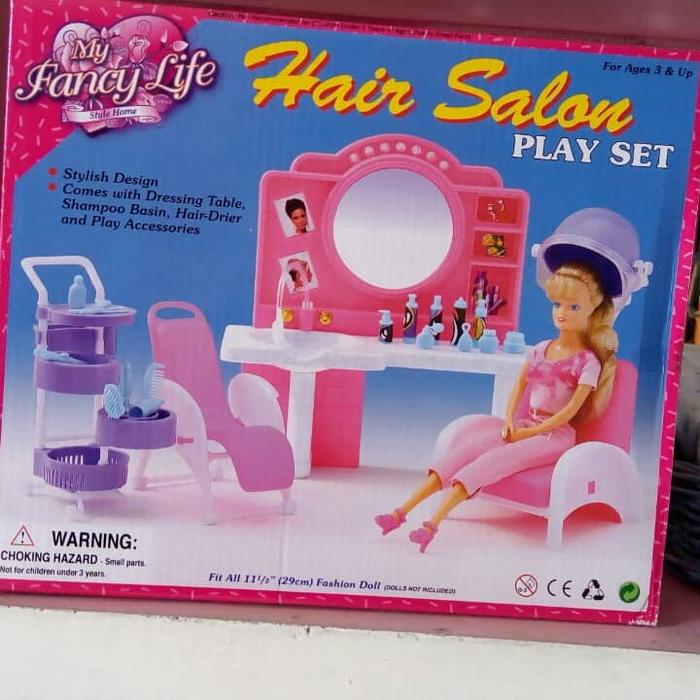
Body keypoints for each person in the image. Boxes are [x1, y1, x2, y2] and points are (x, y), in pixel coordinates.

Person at [374, 261, 618, 553]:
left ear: (591, 309)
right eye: (557, 304)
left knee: (493, 460)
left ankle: (431, 525)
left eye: (573, 307)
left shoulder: (587, 362)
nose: (561, 313)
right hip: (526, 424)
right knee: (463, 452)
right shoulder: (540, 349)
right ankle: (399, 512)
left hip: (555, 435)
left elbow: (570, 411)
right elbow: (519, 386)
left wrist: (532, 432)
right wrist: (510, 421)